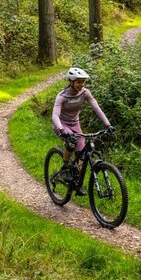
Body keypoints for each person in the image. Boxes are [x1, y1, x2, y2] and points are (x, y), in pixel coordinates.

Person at [51, 67, 114, 196]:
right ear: (71, 82)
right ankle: (64, 168)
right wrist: (61, 129)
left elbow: (96, 108)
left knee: (83, 155)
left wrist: (108, 125)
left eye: (83, 82)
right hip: (62, 124)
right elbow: (55, 115)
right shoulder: (62, 96)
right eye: (78, 82)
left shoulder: (85, 93)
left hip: (75, 124)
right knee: (71, 142)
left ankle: (77, 183)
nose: (81, 84)